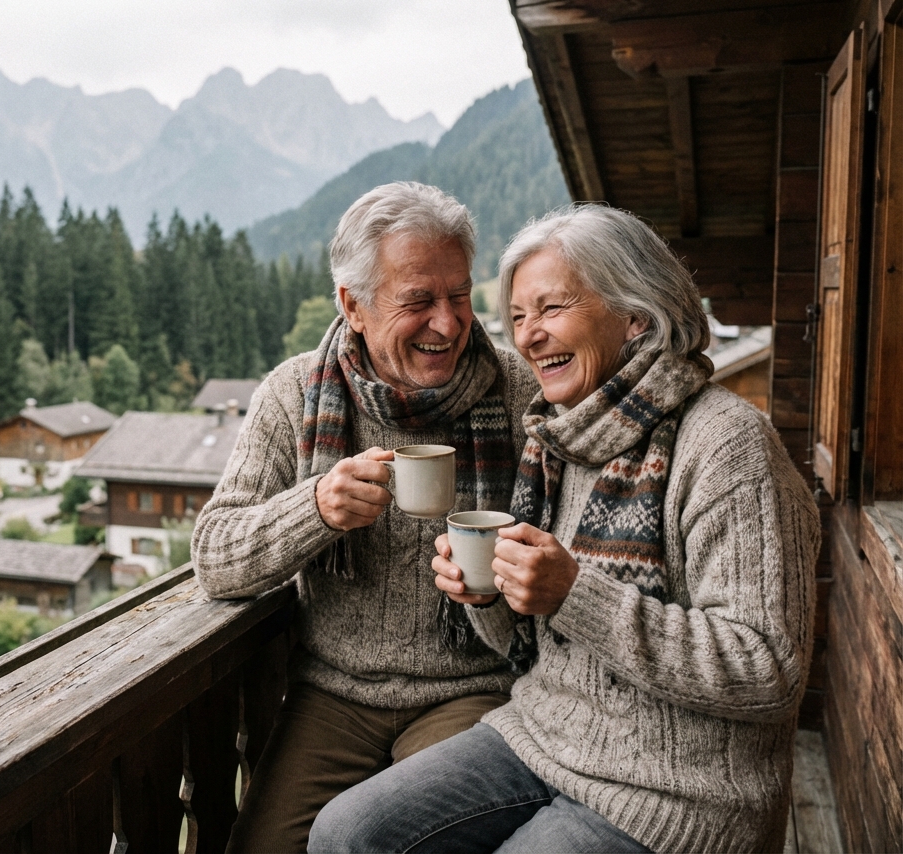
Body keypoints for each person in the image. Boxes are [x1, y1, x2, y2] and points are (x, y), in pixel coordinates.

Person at [309, 203, 821, 854]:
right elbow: (528, 643)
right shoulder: (557, 440)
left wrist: (575, 595)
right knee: (345, 832)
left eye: (551, 309)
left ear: (636, 313)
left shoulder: (729, 449)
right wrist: (490, 596)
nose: (528, 337)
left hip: (675, 788)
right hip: (545, 736)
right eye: (518, 317)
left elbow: (769, 674)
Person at [192, 182, 540, 852]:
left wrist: (494, 588)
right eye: (419, 301)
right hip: (332, 696)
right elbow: (214, 555)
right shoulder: (295, 393)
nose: (448, 322)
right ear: (353, 305)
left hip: (472, 688)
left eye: (461, 295)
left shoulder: (522, 398)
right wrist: (315, 508)